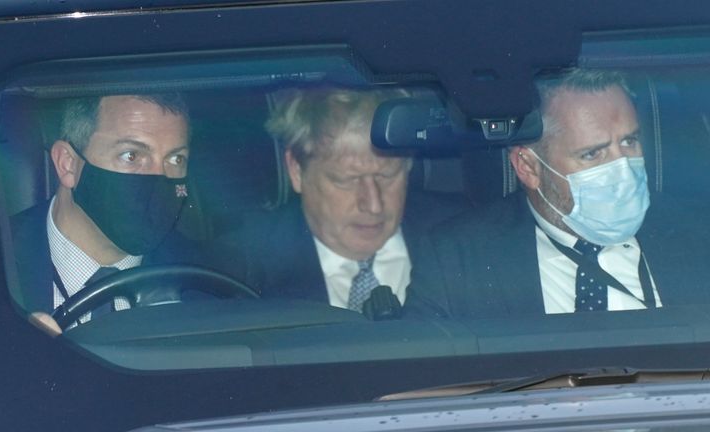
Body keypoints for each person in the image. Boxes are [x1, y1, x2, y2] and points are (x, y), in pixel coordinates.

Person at [404, 68, 710, 319]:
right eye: (593, 155)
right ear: (528, 167)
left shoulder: (701, 236)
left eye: (629, 143)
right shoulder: (458, 259)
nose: (623, 172)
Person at [229, 86, 463, 314]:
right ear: (296, 170)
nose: (373, 204)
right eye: (346, 180)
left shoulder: (464, 238)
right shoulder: (242, 268)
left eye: (387, 175)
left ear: (409, 163)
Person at [11, 93, 194, 334]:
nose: (159, 178)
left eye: (175, 158)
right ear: (68, 164)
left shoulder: (205, 279)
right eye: (131, 155)